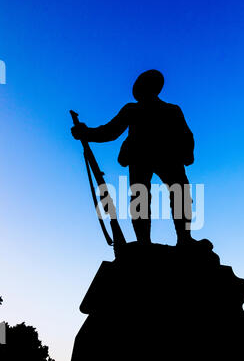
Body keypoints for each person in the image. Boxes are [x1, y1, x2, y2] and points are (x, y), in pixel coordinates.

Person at [71, 69, 196, 245]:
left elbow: (186, 135)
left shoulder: (172, 110)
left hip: (167, 156)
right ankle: (144, 241)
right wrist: (86, 132)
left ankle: (185, 239)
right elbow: (109, 131)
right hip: (140, 156)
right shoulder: (132, 109)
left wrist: (187, 154)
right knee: (141, 196)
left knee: (180, 192)